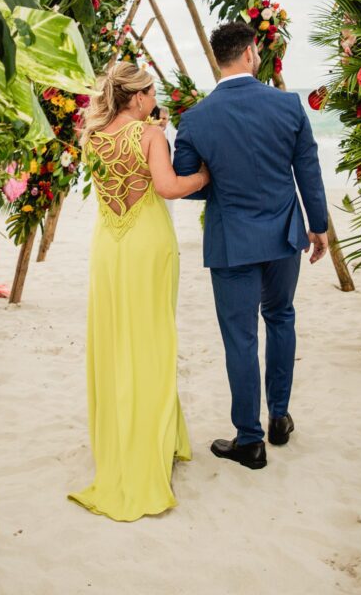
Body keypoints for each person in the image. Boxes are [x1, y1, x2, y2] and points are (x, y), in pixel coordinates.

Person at [173, 22, 328, 471]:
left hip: (232, 238)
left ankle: (250, 438)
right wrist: (317, 226)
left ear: (219, 58)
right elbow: (308, 171)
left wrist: (219, 183)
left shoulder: (196, 118)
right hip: (283, 235)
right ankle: (279, 417)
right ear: (249, 53)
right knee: (281, 317)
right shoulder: (286, 104)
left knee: (240, 336)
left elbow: (189, 184)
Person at [69, 63, 209, 520]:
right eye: (151, 91)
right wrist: (203, 177)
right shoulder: (150, 134)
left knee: (115, 341)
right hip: (148, 243)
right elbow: (167, 188)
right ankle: (151, 441)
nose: (155, 97)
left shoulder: (93, 135)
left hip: (109, 246)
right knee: (151, 340)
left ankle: (129, 435)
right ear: (138, 96)